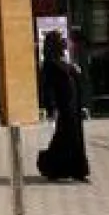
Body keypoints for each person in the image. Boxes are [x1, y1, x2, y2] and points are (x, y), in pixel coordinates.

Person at [36, 29, 90, 183]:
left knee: (74, 138)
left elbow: (73, 76)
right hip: (64, 106)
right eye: (60, 40)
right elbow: (48, 88)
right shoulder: (49, 64)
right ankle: (53, 166)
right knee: (65, 137)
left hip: (73, 105)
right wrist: (51, 108)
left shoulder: (63, 61)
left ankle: (75, 170)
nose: (64, 43)